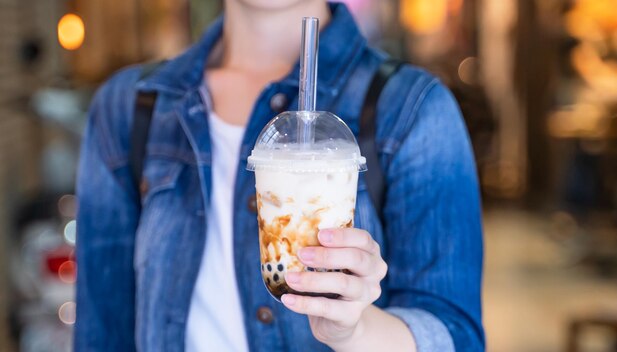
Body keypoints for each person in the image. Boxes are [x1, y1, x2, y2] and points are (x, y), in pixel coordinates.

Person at [74, 1, 485, 351]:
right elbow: (102, 330)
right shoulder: (129, 108)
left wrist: (354, 330)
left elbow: (454, 334)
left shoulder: (411, 108)